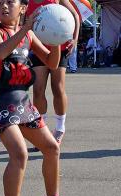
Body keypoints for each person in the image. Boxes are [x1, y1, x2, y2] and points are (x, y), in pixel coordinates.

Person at [0, 0, 63, 196]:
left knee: (52, 148)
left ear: (23, 8)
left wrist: (57, 37)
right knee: (19, 154)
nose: (4, 6)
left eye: (10, 2)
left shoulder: (29, 35)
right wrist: (26, 27)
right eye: (0, 3)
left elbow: (52, 63)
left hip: (22, 102)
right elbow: (0, 52)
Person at [26, 0, 80, 146]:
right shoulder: (28, 2)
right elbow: (24, 21)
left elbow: (75, 15)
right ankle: (41, 130)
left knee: (58, 88)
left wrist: (74, 39)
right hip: (37, 48)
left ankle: (60, 128)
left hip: (59, 47)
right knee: (38, 90)